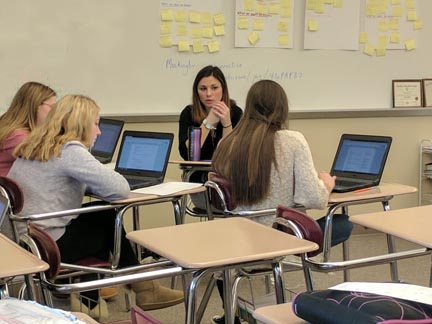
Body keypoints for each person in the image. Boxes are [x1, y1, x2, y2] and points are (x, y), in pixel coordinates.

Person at [8, 95, 183, 320]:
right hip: (47, 246)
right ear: (80, 124)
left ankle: (92, 302)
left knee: (98, 216)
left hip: (22, 238)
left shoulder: (36, 145)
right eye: (95, 123)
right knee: (107, 216)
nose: (99, 132)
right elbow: (119, 188)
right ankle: (142, 287)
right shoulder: (70, 150)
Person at [211, 80, 353, 324]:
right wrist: (326, 185)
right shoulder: (292, 140)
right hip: (282, 240)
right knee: (344, 223)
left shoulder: (227, 143)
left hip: (237, 242)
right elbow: (313, 198)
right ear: (282, 108)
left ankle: (239, 310)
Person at [178, 65, 243, 208]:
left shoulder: (236, 113)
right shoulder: (188, 113)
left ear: (223, 89)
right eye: (203, 89)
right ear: (196, 91)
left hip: (229, 181)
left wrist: (226, 124)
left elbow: (231, 156)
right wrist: (208, 123)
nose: (208, 94)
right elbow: (187, 154)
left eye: (214, 88)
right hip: (199, 182)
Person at [0, 82, 56, 177]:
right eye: (52, 107)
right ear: (35, 105)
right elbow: (49, 163)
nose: (55, 112)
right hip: (10, 189)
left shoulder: (11, 128)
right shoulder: (17, 136)